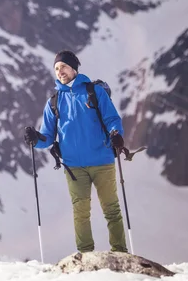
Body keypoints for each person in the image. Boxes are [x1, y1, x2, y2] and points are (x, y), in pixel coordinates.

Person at [24, 50, 128, 253]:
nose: (60, 71)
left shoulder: (94, 92)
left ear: (73, 68)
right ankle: (85, 254)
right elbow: (47, 135)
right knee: (80, 211)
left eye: (63, 66)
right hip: (73, 166)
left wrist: (116, 134)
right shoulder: (53, 101)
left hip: (102, 160)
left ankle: (120, 252)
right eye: (56, 68)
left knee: (111, 209)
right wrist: (36, 140)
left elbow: (111, 119)